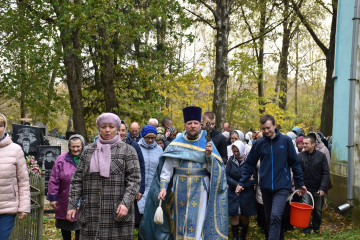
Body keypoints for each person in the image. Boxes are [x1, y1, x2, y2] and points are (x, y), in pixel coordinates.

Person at [139, 106, 228, 240]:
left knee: (197, 224)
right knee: (180, 224)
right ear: (185, 125)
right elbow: (167, 168)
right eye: (189, 123)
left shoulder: (207, 142)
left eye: (196, 123)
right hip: (179, 188)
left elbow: (216, 171)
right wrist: (163, 187)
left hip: (200, 189)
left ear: (200, 124)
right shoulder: (177, 143)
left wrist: (210, 157)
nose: (193, 126)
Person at [67, 113, 141, 239]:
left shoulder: (128, 150)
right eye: (103, 126)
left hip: (116, 212)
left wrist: (126, 203)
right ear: (99, 128)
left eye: (111, 127)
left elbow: (134, 179)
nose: (107, 130)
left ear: (117, 129)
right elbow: (77, 179)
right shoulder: (88, 151)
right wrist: (72, 204)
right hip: (91, 213)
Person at [238, 114, 307, 240]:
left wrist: (300, 183)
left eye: (268, 128)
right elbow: (249, 164)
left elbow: (295, 163)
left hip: (282, 186)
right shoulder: (259, 143)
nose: (266, 131)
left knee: (275, 216)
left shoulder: (285, 141)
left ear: (274, 126)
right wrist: (241, 183)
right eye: (263, 128)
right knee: (270, 219)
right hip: (265, 187)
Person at [47, 134, 86, 240]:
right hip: (65, 199)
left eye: (78, 146)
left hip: (84, 200)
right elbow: (54, 179)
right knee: (65, 230)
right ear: (69, 146)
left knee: (81, 230)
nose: (75, 149)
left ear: (82, 145)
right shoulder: (61, 159)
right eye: (73, 146)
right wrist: (53, 197)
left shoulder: (88, 158)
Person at [0, 113, 30, 240]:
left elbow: (23, 180)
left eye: (0, 125)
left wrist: (24, 207)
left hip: (7, 208)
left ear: (4, 127)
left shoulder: (15, 150)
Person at [298, 136, 329, 234]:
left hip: (318, 189)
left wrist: (323, 188)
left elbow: (325, 173)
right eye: (303, 143)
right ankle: (306, 228)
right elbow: (297, 173)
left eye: (306, 143)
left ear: (313, 144)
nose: (303, 145)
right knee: (306, 208)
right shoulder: (300, 156)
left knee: (318, 210)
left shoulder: (321, 156)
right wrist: (299, 186)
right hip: (305, 188)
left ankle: (316, 227)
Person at [227, 140, 256, 240]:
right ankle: (235, 236)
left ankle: (243, 235)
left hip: (246, 192)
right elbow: (227, 175)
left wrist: (243, 186)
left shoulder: (249, 160)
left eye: (237, 151)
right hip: (233, 190)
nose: (236, 154)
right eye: (234, 151)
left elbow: (254, 178)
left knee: (244, 215)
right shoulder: (231, 160)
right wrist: (236, 185)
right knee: (234, 214)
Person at [137, 125, 163, 237]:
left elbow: (162, 169)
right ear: (143, 136)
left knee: (150, 220)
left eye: (153, 138)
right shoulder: (136, 148)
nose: (151, 140)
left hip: (153, 189)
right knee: (138, 220)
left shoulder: (159, 150)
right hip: (139, 189)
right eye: (148, 138)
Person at [119, 120, 145, 229]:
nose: (120, 133)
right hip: (114, 189)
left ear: (126, 131)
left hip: (130, 187)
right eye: (118, 130)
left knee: (129, 220)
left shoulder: (134, 145)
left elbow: (141, 167)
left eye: (123, 130)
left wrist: (140, 189)